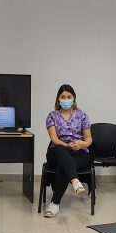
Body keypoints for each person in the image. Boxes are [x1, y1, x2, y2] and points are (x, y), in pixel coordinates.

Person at [43, 84, 93, 217]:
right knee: (60, 150)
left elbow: (89, 139)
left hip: (78, 153)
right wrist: (68, 146)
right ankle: (75, 180)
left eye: (69, 97)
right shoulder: (52, 116)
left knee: (63, 165)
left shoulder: (82, 115)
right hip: (57, 151)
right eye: (63, 97)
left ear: (74, 98)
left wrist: (82, 144)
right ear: (58, 99)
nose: (66, 99)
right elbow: (54, 139)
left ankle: (55, 204)